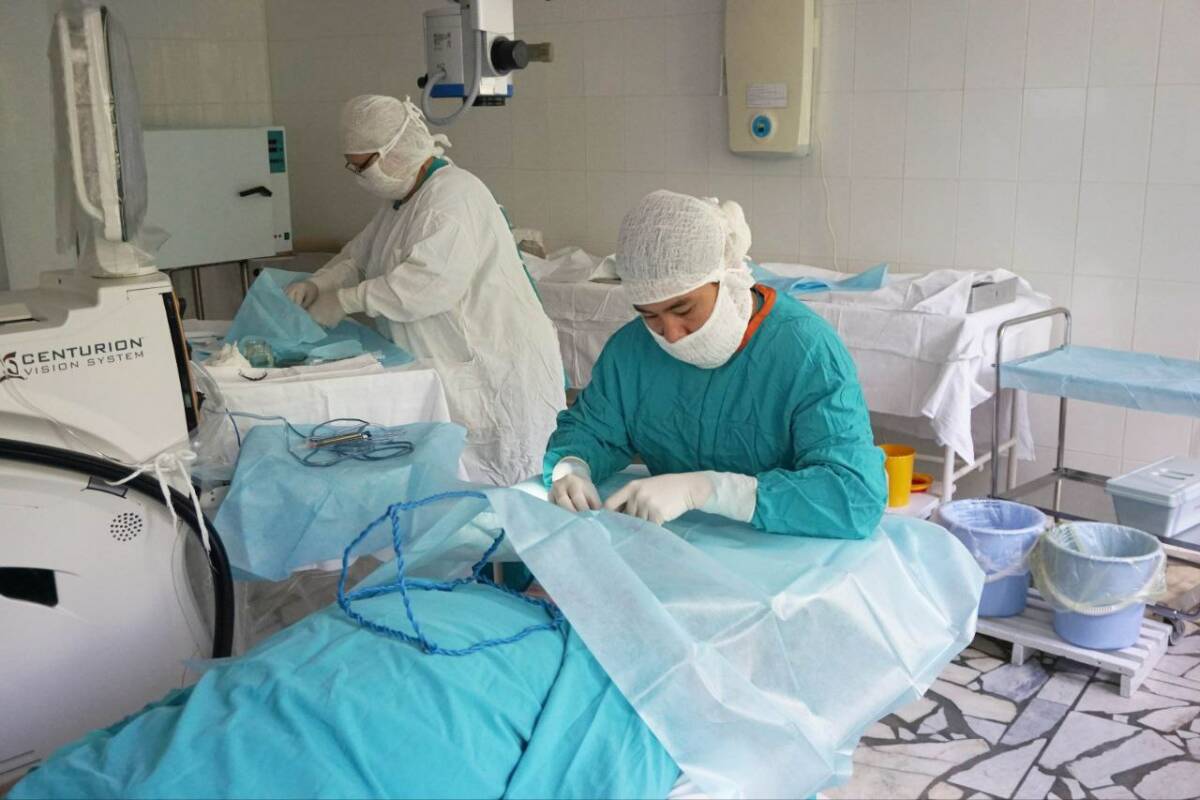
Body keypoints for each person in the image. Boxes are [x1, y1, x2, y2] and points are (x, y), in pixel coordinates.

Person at [544, 190, 886, 538]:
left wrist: (710, 490)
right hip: (668, 545)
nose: (671, 334)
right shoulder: (632, 350)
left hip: (784, 550)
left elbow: (854, 497)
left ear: (728, 277)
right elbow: (590, 430)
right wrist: (572, 467)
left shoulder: (805, 351)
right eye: (650, 315)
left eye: (683, 309)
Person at [286, 95, 566, 486]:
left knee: (507, 481)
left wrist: (348, 300)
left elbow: (428, 285)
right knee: (459, 481)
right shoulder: (404, 201)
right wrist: (320, 283)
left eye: (363, 165)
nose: (358, 176)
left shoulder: (451, 199)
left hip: (490, 364)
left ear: (395, 151)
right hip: (452, 361)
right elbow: (361, 256)